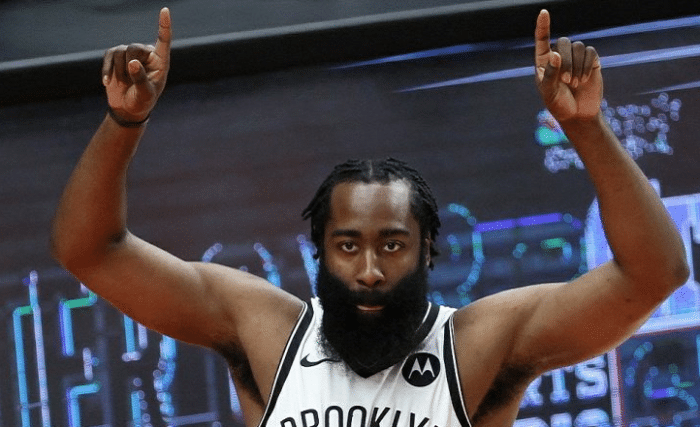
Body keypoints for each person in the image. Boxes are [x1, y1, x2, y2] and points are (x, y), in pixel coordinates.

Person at [50, 7, 689, 427]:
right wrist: (123, 122)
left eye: (393, 244)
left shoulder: (475, 345)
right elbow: (90, 252)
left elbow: (654, 275)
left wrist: (587, 128)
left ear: (428, 250)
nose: (370, 270)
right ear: (320, 250)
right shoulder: (267, 333)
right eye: (348, 245)